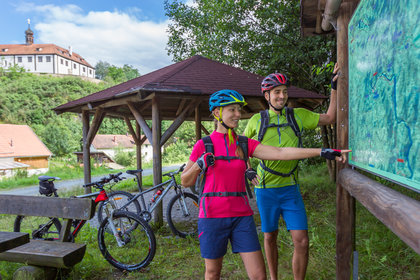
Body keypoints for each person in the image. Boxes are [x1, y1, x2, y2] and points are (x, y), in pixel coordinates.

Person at [181, 89, 348, 280]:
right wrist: (199, 165)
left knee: (259, 276)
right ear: (217, 113)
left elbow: (280, 152)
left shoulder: (243, 143)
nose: (238, 114)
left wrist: (321, 151)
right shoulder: (204, 145)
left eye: (239, 110)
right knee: (213, 273)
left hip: (241, 216)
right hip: (212, 216)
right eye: (232, 110)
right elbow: (185, 182)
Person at [243, 65, 340, 280]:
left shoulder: (298, 116)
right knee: (269, 237)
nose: (282, 96)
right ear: (267, 95)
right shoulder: (256, 121)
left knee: (302, 240)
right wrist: (247, 168)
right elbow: (241, 148)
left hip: (291, 189)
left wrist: (334, 87)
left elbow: (330, 117)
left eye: (284, 91)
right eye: (277, 92)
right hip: (265, 189)